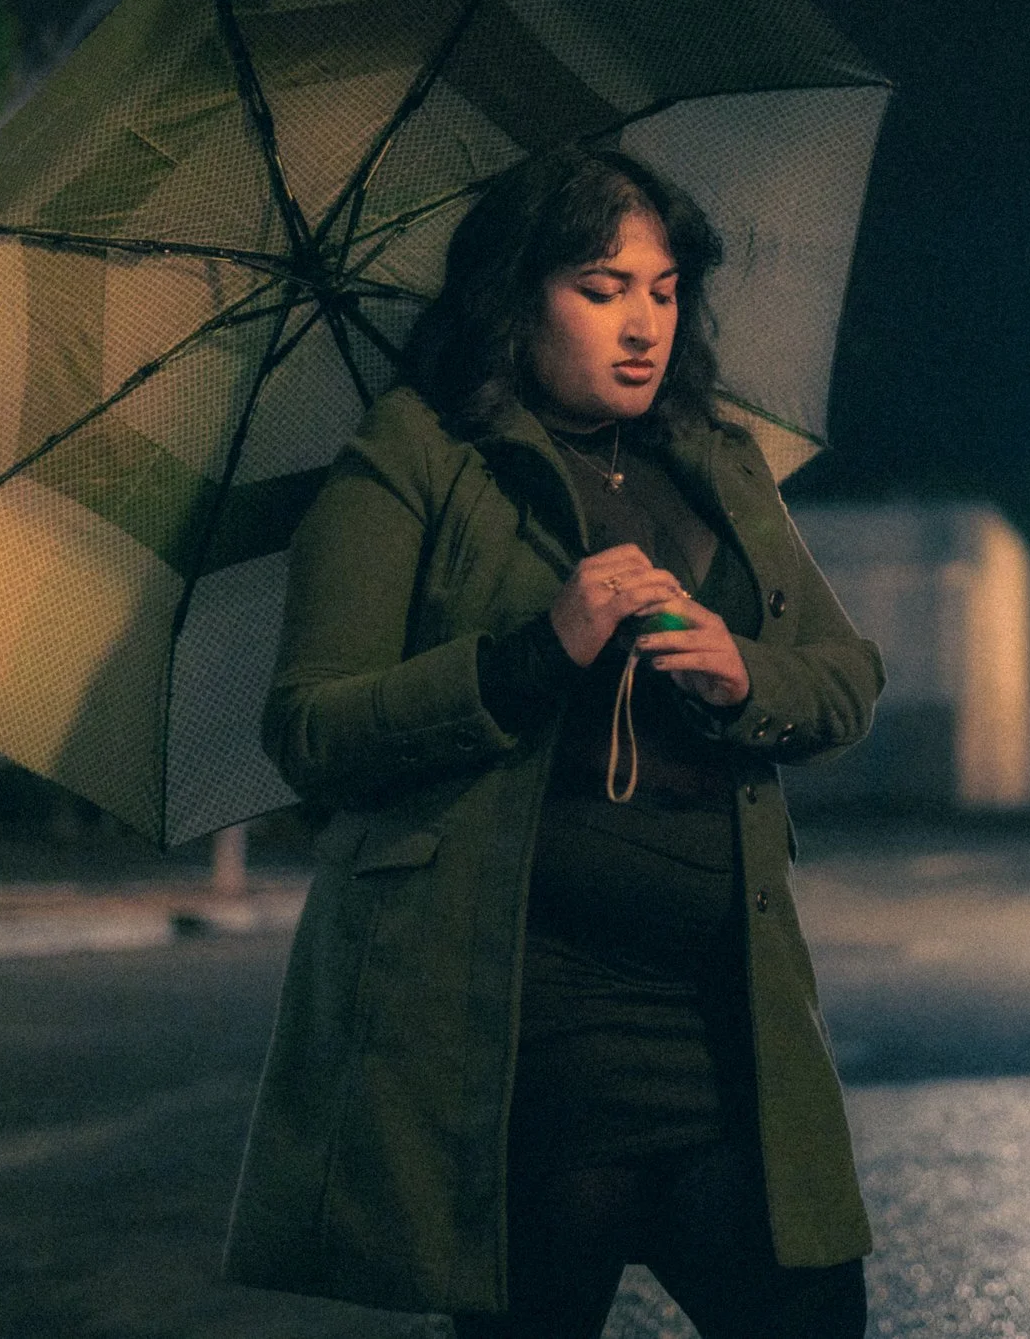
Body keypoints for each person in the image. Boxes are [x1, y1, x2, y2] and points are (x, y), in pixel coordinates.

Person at [222, 147, 882, 1337]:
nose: (644, 325)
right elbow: (311, 725)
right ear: (516, 297)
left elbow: (843, 678)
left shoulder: (716, 462)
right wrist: (537, 649)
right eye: (601, 288)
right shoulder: (416, 454)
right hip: (529, 1053)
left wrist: (743, 671)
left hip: (724, 1029)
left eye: (664, 290)